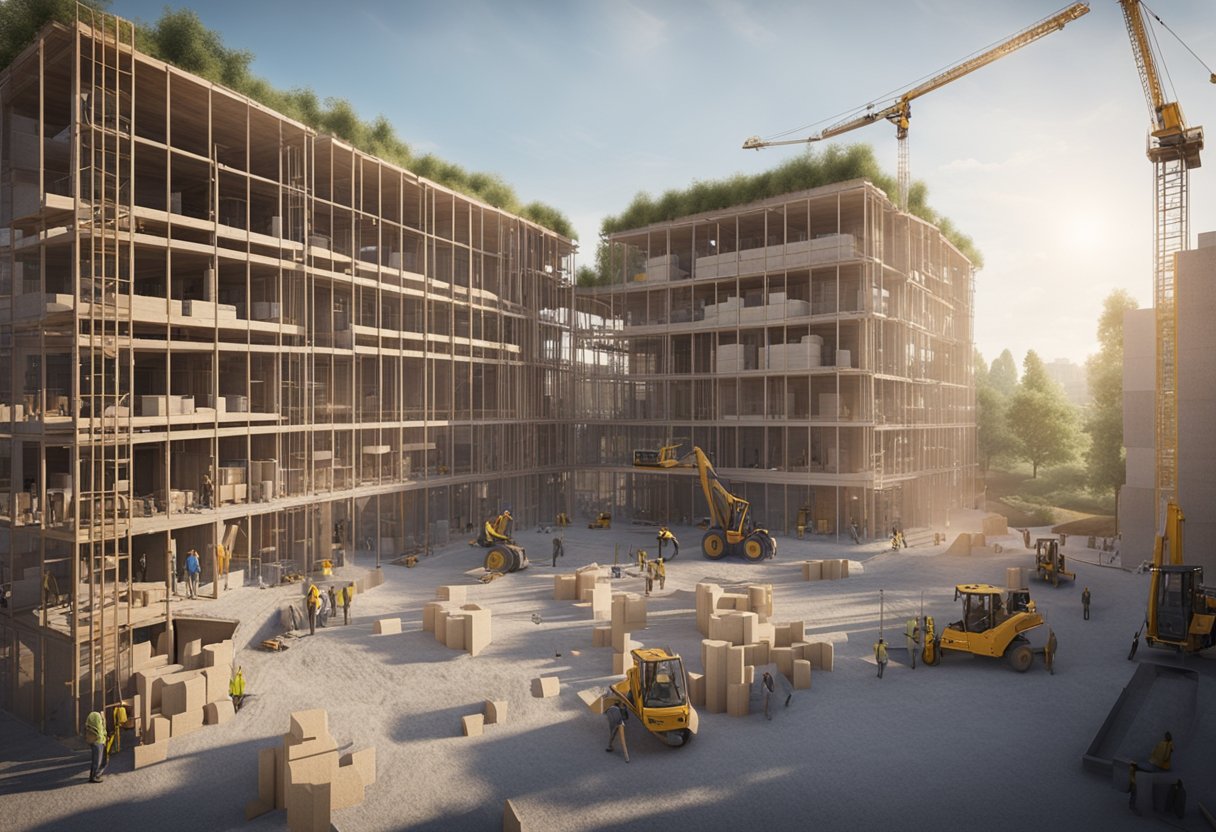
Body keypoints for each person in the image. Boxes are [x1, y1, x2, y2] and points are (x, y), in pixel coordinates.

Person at [83, 710, 106, 783]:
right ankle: (94, 777)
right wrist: (103, 738)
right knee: (97, 760)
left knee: (97, 759)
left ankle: (94, 775)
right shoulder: (96, 717)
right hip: (98, 741)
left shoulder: (91, 719)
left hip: (96, 741)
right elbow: (100, 730)